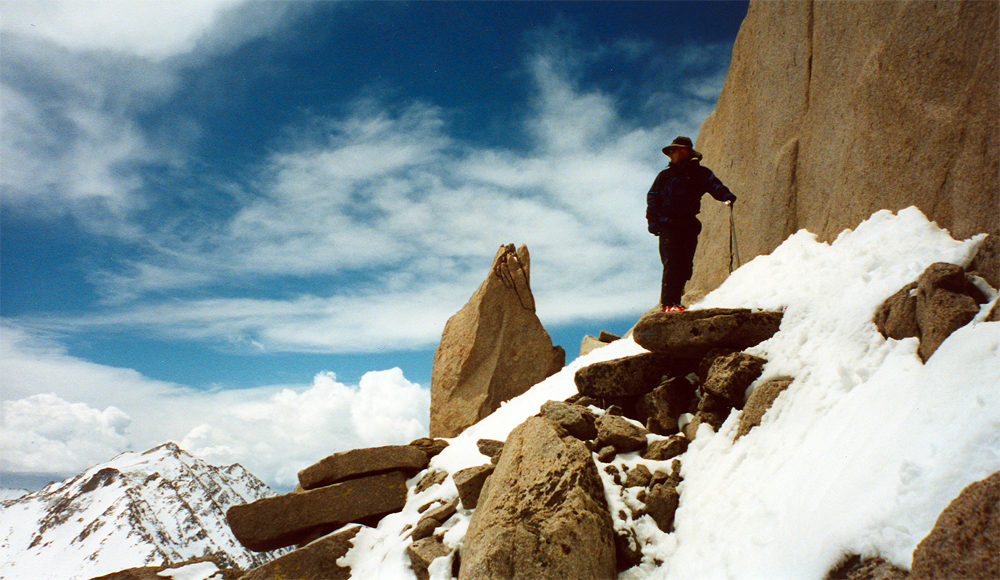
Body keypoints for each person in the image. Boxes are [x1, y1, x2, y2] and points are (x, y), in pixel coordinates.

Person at [646, 136, 736, 312]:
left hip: (688, 224)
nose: (670, 155)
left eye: (673, 151)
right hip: (668, 224)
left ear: (683, 152)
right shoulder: (665, 176)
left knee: (686, 265)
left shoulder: (699, 173)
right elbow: (653, 197)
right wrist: (653, 221)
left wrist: (725, 195)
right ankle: (669, 303)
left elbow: (713, 185)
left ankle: (676, 301)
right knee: (672, 262)